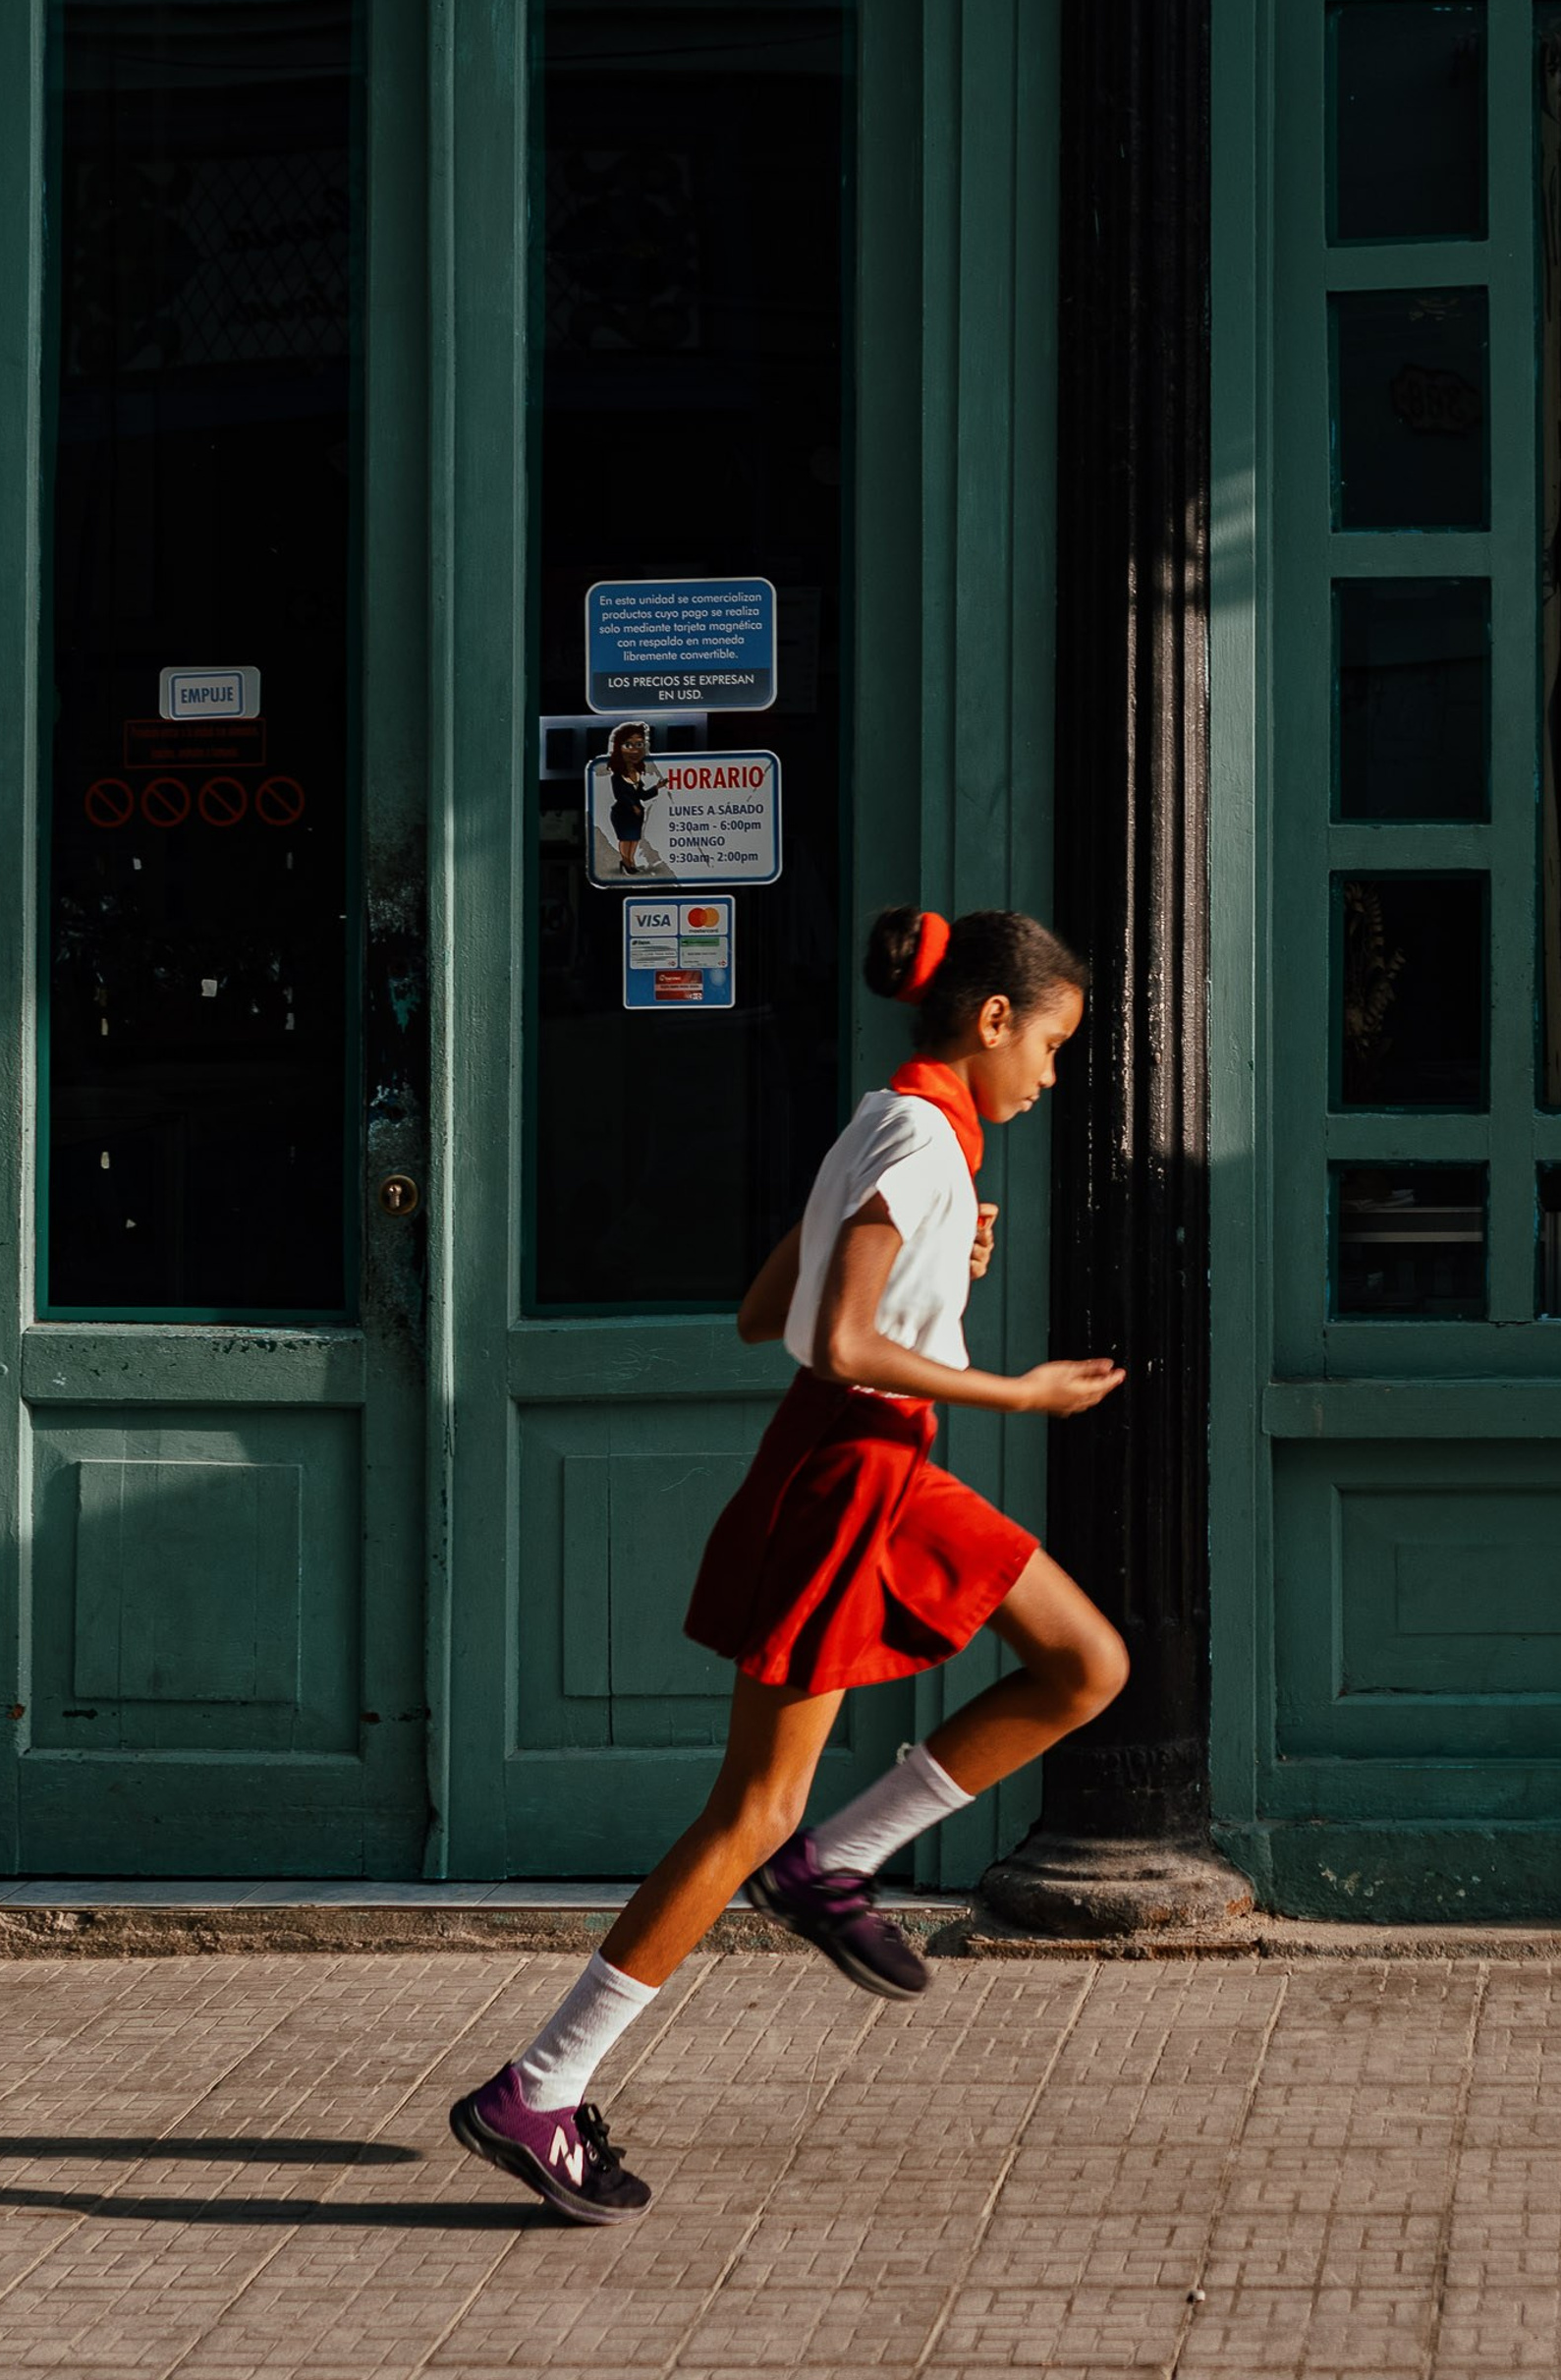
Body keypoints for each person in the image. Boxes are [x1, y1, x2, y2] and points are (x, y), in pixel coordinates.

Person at [449, 907, 1127, 2225]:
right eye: (1049, 1043)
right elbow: (835, 1342)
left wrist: (938, 1266)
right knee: (751, 1808)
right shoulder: (922, 1141)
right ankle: (538, 2088)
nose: (1051, 1073)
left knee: (1085, 1663)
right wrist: (1019, 1392)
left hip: (890, 1470)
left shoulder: (899, 1125)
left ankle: (834, 1863)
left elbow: (767, 1311)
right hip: (846, 1473)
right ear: (994, 1021)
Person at [603, 721, 664, 875]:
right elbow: (621, 795)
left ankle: (631, 862)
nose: (635, 750)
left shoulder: (637, 774)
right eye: (629, 745)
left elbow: (641, 795)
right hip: (623, 813)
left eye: (639, 744)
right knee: (625, 838)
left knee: (634, 839)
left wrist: (657, 787)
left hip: (636, 815)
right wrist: (633, 806)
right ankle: (626, 862)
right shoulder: (617, 776)